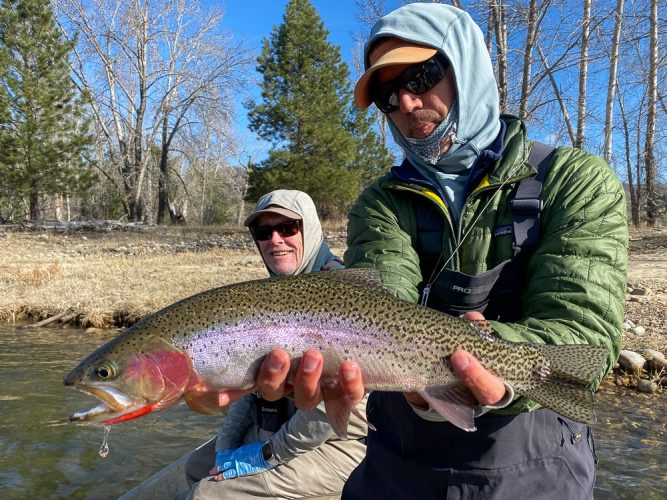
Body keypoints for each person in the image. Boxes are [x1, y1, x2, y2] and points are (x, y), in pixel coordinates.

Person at [230, 4, 629, 500]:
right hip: (401, 463)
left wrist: (496, 367)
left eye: (421, 76)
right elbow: (377, 306)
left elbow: (583, 334)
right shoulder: (382, 201)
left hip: (537, 466)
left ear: (466, 67)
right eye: (386, 95)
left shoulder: (574, 181)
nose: (406, 103)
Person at [185, 189, 367, 499]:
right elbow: (248, 389)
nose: (275, 239)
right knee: (195, 467)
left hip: (341, 442)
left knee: (208, 495)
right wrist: (225, 450)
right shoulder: (273, 297)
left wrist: (267, 455)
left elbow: (325, 413)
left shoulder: (339, 293)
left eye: (287, 228)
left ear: (309, 229)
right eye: (263, 231)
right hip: (283, 426)